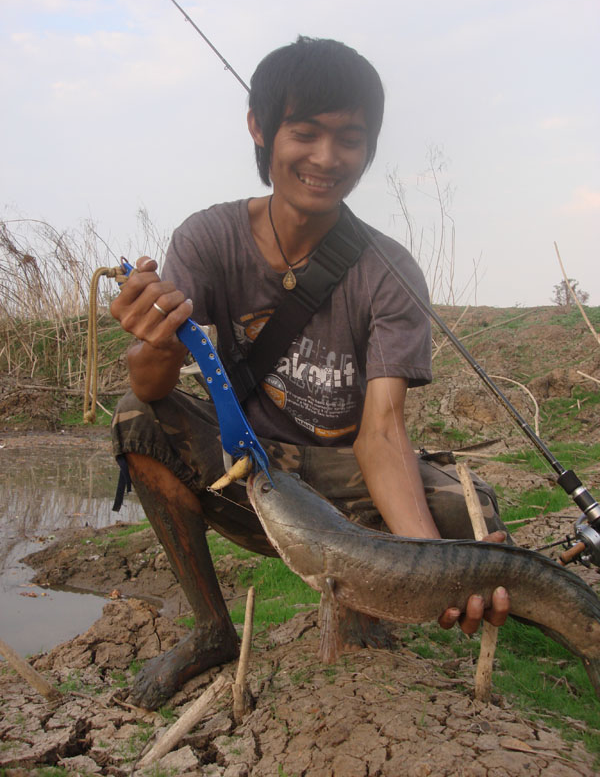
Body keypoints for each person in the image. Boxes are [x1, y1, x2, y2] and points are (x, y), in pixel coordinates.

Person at [110, 36, 510, 710]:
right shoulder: (208, 239)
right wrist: (152, 339)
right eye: (305, 133)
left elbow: (381, 434)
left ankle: (372, 601)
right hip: (251, 472)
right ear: (260, 131)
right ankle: (211, 629)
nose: (327, 159)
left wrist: (423, 565)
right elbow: (152, 388)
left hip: (342, 478)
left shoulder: (388, 272)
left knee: (468, 522)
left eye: (350, 139)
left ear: (370, 147)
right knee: (134, 418)